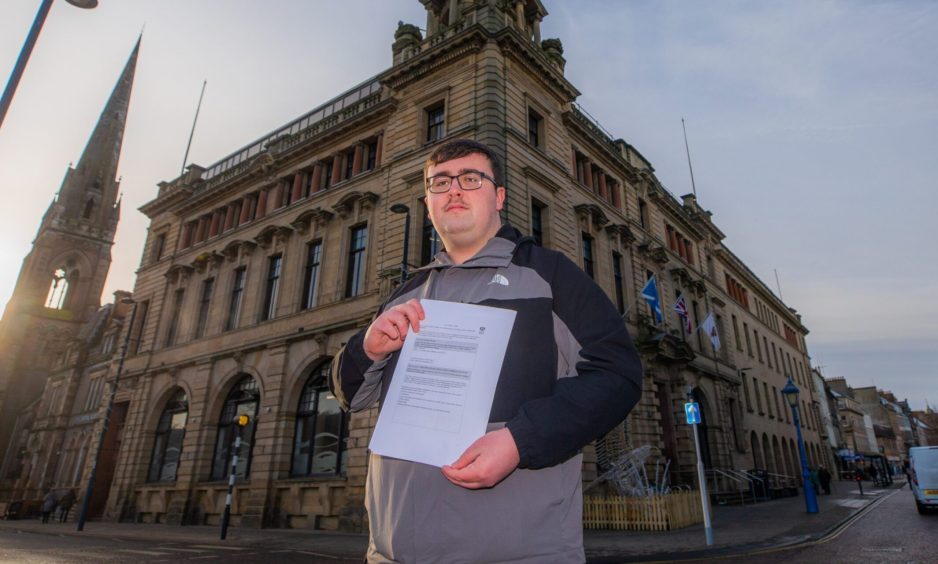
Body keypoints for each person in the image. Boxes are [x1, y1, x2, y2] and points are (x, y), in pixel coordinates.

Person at [332, 139, 643, 563]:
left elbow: (617, 374)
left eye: (470, 178)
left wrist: (519, 441)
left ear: (498, 196)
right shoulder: (404, 293)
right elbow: (349, 394)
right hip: (390, 554)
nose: (454, 190)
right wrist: (368, 348)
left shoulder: (550, 275)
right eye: (440, 182)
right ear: (428, 204)